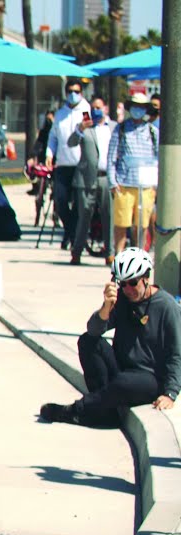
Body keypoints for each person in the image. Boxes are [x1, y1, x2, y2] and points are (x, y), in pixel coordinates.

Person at [40, 248, 180, 427]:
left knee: (124, 382)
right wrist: (106, 308)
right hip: (122, 369)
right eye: (123, 283)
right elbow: (93, 330)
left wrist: (170, 393)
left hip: (149, 378)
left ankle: (75, 411)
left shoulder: (167, 306)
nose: (128, 289)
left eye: (133, 282)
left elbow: (176, 353)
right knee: (88, 341)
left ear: (146, 278)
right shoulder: (121, 299)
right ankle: (106, 413)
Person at [107, 91, 160, 260]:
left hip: (145, 186)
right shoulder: (121, 128)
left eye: (142, 107)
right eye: (135, 106)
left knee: (142, 225)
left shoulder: (152, 131)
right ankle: (119, 256)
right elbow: (111, 157)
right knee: (121, 224)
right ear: (130, 108)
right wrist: (112, 182)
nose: (138, 110)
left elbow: (159, 159)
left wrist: (156, 185)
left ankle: (139, 258)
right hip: (124, 184)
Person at [47, 78, 91, 252]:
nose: (74, 94)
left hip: (81, 165)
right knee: (61, 201)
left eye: (77, 91)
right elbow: (53, 137)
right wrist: (49, 154)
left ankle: (74, 236)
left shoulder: (86, 111)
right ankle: (71, 232)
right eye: (71, 91)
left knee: (80, 205)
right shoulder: (60, 114)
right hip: (63, 164)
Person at [67, 100, 112, 265]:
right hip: (86, 179)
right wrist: (80, 129)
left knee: (109, 215)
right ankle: (77, 251)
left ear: (105, 109)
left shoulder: (113, 127)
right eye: (93, 107)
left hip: (107, 177)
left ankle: (110, 252)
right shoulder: (85, 128)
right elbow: (71, 143)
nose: (96, 110)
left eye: (99, 107)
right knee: (84, 216)